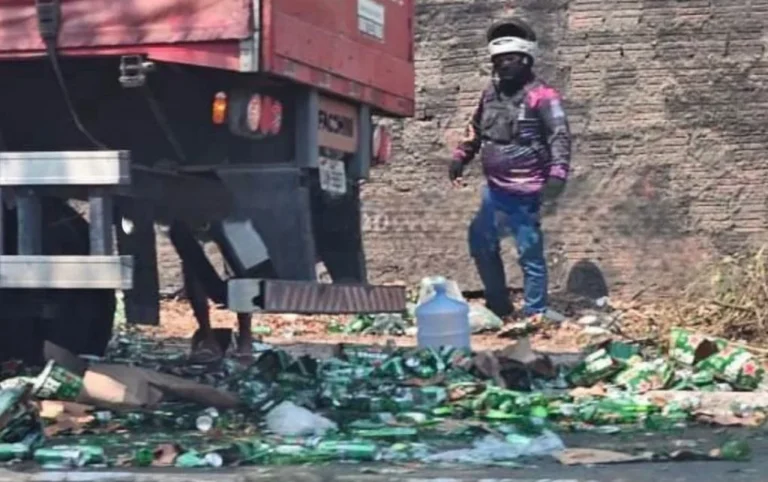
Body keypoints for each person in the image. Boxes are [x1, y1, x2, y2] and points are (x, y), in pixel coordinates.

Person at [449, 18, 572, 322]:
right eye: (499, 61)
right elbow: (475, 129)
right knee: (480, 241)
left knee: (528, 250)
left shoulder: (543, 96)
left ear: (527, 60)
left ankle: (535, 311)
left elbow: (559, 135)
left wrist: (558, 174)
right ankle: (498, 304)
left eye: (511, 60)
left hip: (528, 189)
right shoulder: (490, 95)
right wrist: (461, 156)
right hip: (494, 190)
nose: (504, 66)